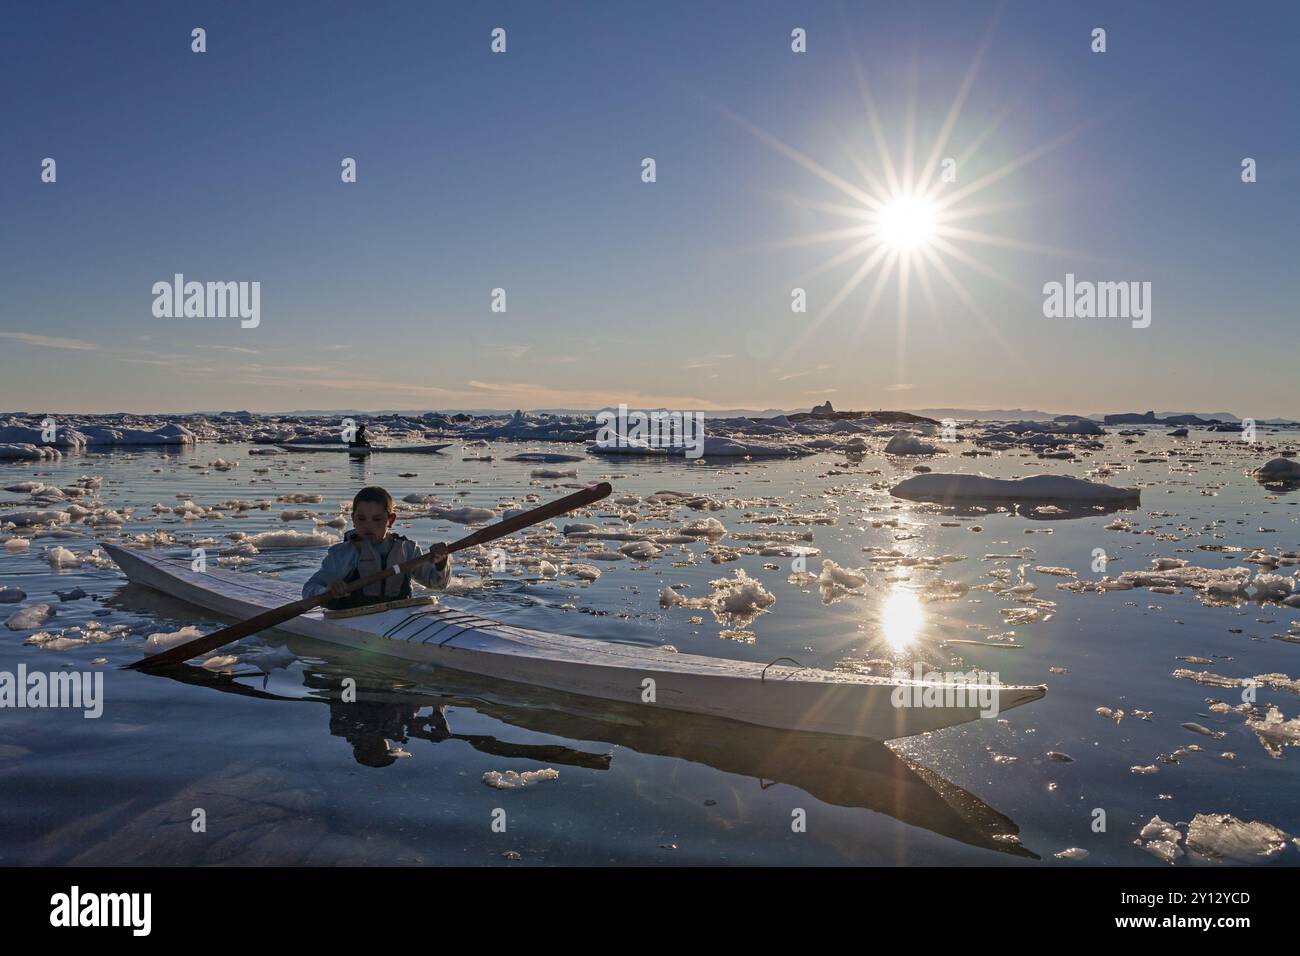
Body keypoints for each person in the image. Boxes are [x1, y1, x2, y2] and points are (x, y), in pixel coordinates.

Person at [303, 486, 450, 610]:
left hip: (399, 616)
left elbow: (438, 584)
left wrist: (441, 561)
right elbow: (309, 589)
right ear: (353, 519)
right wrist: (327, 590)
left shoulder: (407, 549)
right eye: (361, 519)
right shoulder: (343, 554)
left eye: (377, 519)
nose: (368, 525)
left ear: (390, 520)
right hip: (353, 617)